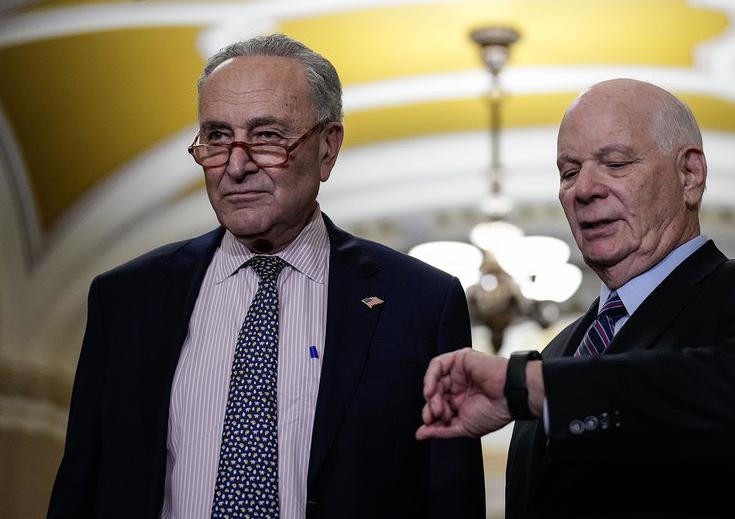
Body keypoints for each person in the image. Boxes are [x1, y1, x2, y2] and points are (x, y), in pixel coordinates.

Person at [48, 34, 484, 519]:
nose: (236, 165)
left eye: (267, 136)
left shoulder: (420, 303)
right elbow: (81, 490)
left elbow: (450, 497)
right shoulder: (127, 300)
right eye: (216, 136)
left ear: (327, 149)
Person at [417, 79, 735, 517]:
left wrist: (535, 387)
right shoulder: (558, 352)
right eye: (569, 171)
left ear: (690, 175)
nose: (584, 189)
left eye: (615, 163)